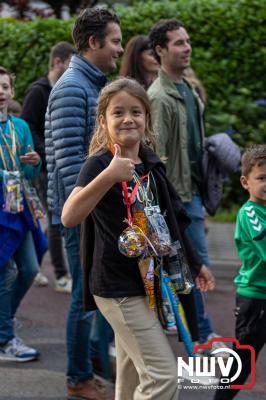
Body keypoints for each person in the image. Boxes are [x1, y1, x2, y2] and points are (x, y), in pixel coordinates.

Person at [61, 77, 215, 400]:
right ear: (103, 120)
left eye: (136, 111)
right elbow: (69, 215)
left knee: (130, 376)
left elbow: (171, 222)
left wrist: (196, 263)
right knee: (163, 378)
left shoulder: (150, 163)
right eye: (118, 113)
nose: (128, 118)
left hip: (147, 283)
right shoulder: (99, 163)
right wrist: (109, 176)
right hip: (117, 287)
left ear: (147, 118)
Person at [45, 8, 123, 399]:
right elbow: (68, 164)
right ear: (93, 43)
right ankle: (78, 378)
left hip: (91, 209)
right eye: (114, 41)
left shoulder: (89, 83)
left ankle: (92, 369)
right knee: (84, 297)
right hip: (81, 214)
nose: (119, 49)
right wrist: (97, 204)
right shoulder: (74, 87)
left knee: (94, 294)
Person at [148, 19, 227, 356]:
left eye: (187, 41)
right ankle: (204, 336)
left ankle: (194, 332)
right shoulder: (158, 97)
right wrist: (172, 207)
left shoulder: (189, 91)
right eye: (178, 43)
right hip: (178, 197)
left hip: (193, 194)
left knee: (187, 267)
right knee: (197, 266)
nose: (187, 47)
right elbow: (158, 160)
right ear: (160, 51)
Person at [0, 66, 47, 362]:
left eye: (4, 86)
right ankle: (5, 338)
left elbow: (30, 172)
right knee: (6, 272)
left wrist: (34, 161)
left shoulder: (20, 127)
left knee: (29, 268)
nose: (0, 92)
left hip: (18, 206)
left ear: (11, 92)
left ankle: (3, 321)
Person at [21, 41, 76, 292]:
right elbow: (27, 127)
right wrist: (46, 150)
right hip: (42, 166)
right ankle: (61, 275)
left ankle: (31, 267)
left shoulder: (64, 90)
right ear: (58, 62)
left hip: (54, 164)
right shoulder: (39, 91)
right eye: (70, 64)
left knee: (46, 218)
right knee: (53, 219)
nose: (73, 69)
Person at [214, 144, 266, 399]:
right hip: (255, 299)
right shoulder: (251, 213)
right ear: (245, 182)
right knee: (243, 360)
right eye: (262, 178)